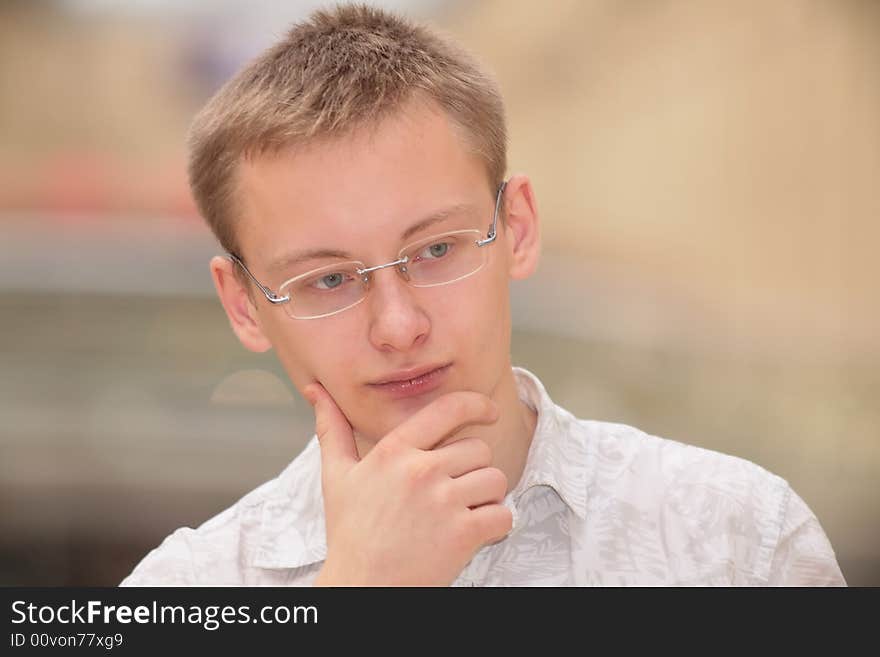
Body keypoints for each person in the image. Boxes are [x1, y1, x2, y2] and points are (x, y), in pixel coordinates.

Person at [121, 4, 845, 586]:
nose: (398, 326)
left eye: (436, 250)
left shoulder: (739, 541)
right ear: (244, 303)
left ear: (518, 227)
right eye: (329, 279)